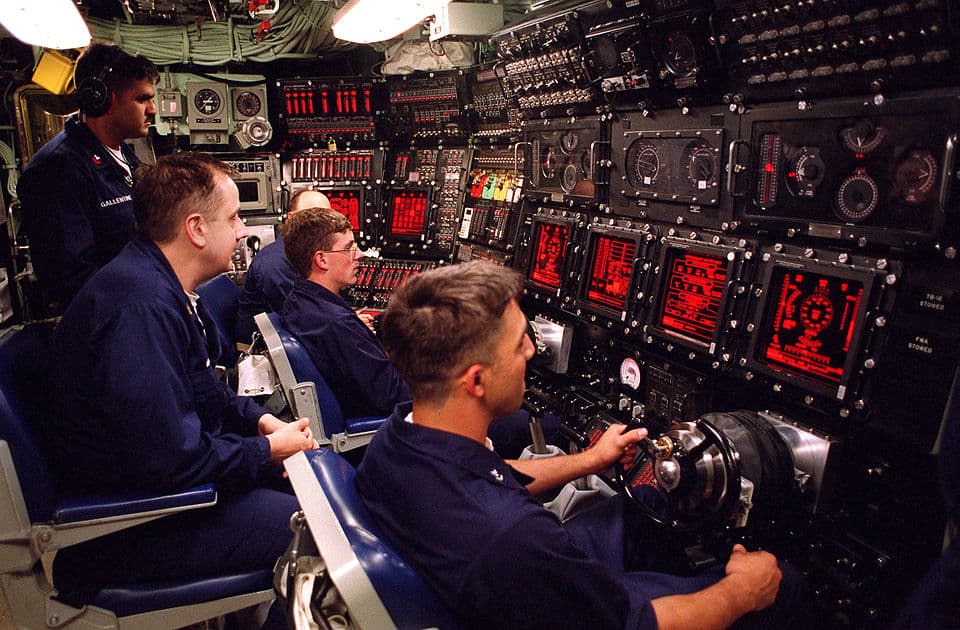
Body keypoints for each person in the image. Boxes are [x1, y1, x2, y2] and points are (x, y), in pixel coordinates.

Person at [357, 260, 810, 630]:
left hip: (498, 579)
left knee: (648, 503)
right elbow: (637, 625)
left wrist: (591, 459)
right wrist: (738, 593)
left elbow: (498, 480)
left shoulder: (397, 440)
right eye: (518, 346)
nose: (532, 353)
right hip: (546, 601)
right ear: (475, 380)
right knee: (781, 582)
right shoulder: (511, 537)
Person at [47, 152, 317, 607]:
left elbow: (202, 389)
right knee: (321, 529)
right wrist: (266, 451)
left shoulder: (158, 285)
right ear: (196, 228)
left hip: (159, 494)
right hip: (130, 526)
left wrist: (259, 425)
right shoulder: (141, 308)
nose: (242, 230)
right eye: (233, 218)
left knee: (310, 487)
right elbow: (171, 461)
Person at [18, 42, 158, 311]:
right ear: (102, 99)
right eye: (142, 99)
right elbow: (70, 279)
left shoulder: (124, 155)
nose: (152, 109)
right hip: (107, 324)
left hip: (141, 303)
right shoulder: (56, 171)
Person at [281, 207, 410, 419]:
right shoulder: (337, 324)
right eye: (349, 248)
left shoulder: (300, 299)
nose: (359, 254)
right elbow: (393, 394)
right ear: (321, 260)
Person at [235, 189, 332, 344]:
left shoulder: (303, 254)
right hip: (268, 349)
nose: (323, 225)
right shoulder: (275, 263)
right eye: (313, 216)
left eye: (327, 217)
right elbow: (301, 319)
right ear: (292, 218)